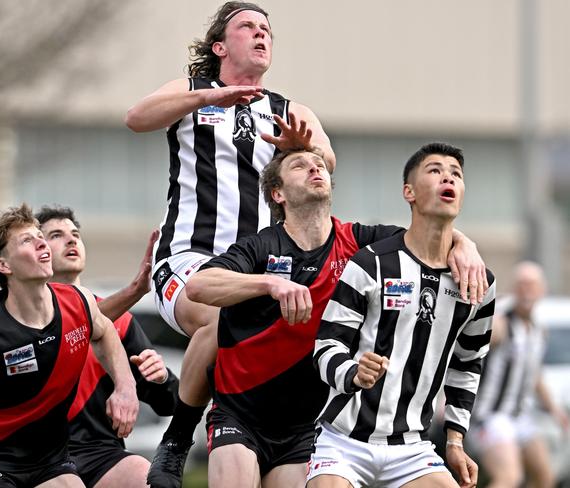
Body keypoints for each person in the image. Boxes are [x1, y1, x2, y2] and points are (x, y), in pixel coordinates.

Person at [184, 146, 486, 487]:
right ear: (277, 193)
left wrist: (466, 245)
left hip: (304, 426)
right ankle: (176, 440)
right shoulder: (260, 247)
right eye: (300, 166)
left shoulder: (360, 243)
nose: (315, 169)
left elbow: (427, 232)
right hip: (242, 414)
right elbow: (198, 286)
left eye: (320, 165)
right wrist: (271, 284)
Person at [125, 2, 337, 484]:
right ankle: (177, 441)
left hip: (259, 268)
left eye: (267, 29)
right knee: (222, 322)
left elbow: (327, 157)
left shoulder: (288, 110)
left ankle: (260, 438)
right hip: (188, 257)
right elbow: (136, 117)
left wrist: (302, 149)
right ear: (220, 46)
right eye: (248, 27)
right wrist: (205, 101)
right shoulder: (193, 91)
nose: (261, 34)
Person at [309, 142, 496, 488]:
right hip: (344, 442)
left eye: (456, 173)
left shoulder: (479, 282)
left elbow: (468, 363)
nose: (448, 177)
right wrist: (353, 372)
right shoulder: (371, 263)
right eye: (435, 170)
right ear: (408, 192)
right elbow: (326, 347)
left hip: (413, 448)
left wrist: (454, 441)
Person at [0, 204, 138, 488]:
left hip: (49, 459)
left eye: (40, 236)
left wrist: (125, 386)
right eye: (27, 240)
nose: (42, 243)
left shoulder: (79, 301)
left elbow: (104, 329)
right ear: (4, 265)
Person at [35, 205, 180, 488]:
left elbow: (169, 404)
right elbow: (68, 328)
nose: (71, 240)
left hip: (99, 454)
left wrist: (161, 378)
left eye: (75, 234)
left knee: (148, 478)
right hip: (36, 458)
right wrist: (134, 290)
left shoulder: (122, 322)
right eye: (56, 235)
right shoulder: (20, 316)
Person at [470, 261, 569, 488]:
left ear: (542, 290)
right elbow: (469, 346)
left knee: (544, 477)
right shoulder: (502, 324)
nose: (527, 290)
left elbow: (534, 375)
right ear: (514, 289)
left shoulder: (537, 329)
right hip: (491, 417)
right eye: (522, 284)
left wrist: (554, 410)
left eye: (532, 285)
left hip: (520, 417)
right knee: (509, 477)